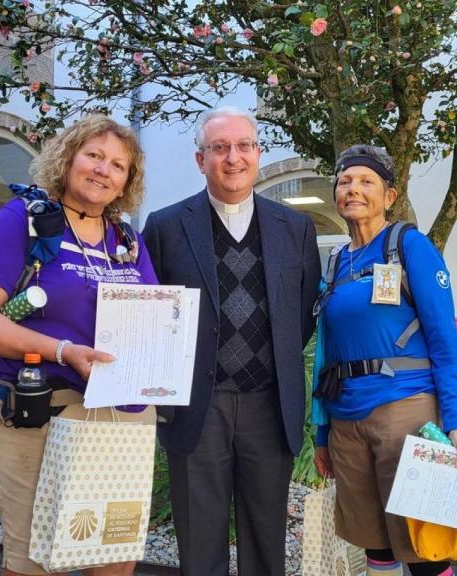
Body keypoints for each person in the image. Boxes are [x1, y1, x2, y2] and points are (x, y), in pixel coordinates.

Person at [0, 115, 157, 576]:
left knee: (114, 553)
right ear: (68, 159)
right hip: (43, 409)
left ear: (128, 180)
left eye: (118, 165)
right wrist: (63, 350)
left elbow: (151, 317)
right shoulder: (24, 221)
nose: (103, 170)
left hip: (122, 415)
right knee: (36, 561)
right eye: (94, 156)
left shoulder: (127, 239)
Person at [142, 107, 321, 575]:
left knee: (266, 540)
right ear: (200, 159)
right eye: (219, 148)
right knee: (200, 544)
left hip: (269, 405)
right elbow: (151, 312)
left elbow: (302, 314)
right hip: (197, 407)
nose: (233, 157)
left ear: (258, 154)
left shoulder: (296, 228)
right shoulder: (165, 226)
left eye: (244, 146)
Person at [312, 145, 457, 576]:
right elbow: (325, 354)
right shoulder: (335, 262)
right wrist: (323, 433)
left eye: (366, 181)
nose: (353, 189)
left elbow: (445, 341)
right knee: (375, 545)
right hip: (347, 419)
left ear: (389, 195)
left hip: (406, 412)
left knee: (424, 545)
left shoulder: (409, 247)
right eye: (345, 181)